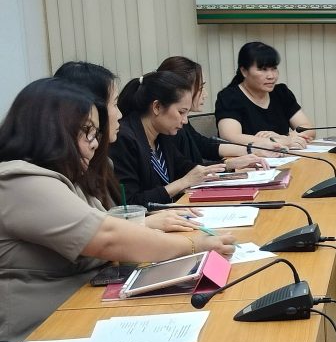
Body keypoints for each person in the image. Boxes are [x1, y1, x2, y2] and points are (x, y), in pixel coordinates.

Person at [0, 79, 234, 342]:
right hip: (41, 334)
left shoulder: (65, 178)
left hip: (83, 308)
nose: (94, 144)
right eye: (87, 132)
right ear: (50, 131)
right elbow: (107, 237)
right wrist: (194, 246)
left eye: (95, 133)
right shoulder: (20, 181)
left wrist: (147, 225)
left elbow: (103, 223)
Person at [54, 61, 202, 234]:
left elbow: (114, 217)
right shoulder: (57, 178)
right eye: (114, 104)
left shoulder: (104, 162)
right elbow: (100, 232)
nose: (120, 114)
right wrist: (146, 222)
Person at [111, 71, 227, 206]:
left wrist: (229, 165)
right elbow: (130, 204)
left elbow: (186, 168)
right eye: (181, 112)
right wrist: (183, 182)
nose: (185, 121)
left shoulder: (162, 134)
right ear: (157, 107)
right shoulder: (124, 139)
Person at [156, 56, 271, 169]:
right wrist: (228, 165)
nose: (205, 94)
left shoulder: (181, 122)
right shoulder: (169, 127)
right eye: (200, 88)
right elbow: (186, 171)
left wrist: (251, 149)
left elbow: (204, 145)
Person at [215, 42, 314, 150]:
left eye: (274, 68)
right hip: (250, 159)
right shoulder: (229, 97)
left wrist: (287, 137)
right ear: (244, 71)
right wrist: (280, 141)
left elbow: (308, 128)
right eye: (263, 69)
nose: (271, 76)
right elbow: (231, 137)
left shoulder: (281, 93)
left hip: (284, 156)